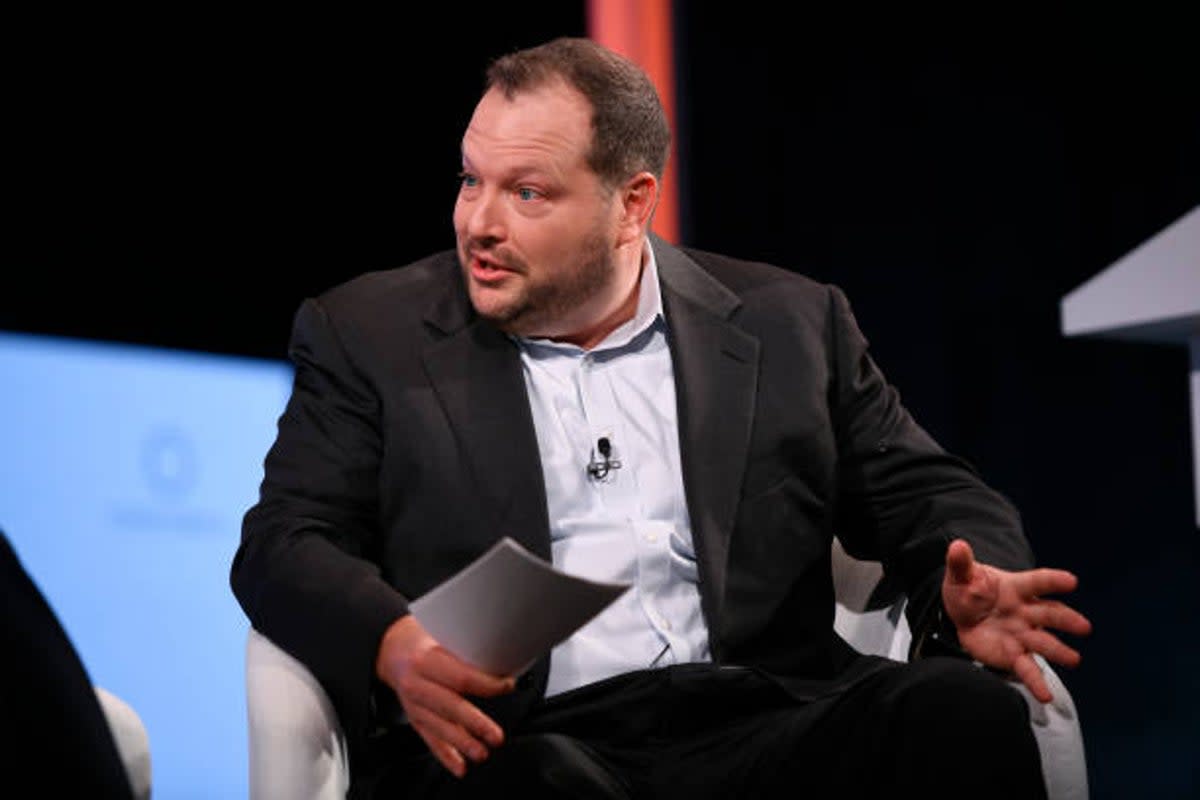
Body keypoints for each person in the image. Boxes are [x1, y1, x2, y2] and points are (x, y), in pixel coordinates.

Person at [231, 36, 1092, 799]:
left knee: (959, 716)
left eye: (526, 193)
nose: (478, 224)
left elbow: (932, 492)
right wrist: (395, 643)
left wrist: (971, 587)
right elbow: (285, 541)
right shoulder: (369, 333)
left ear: (632, 205)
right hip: (526, 737)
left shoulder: (786, 323)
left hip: (759, 716)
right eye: (469, 180)